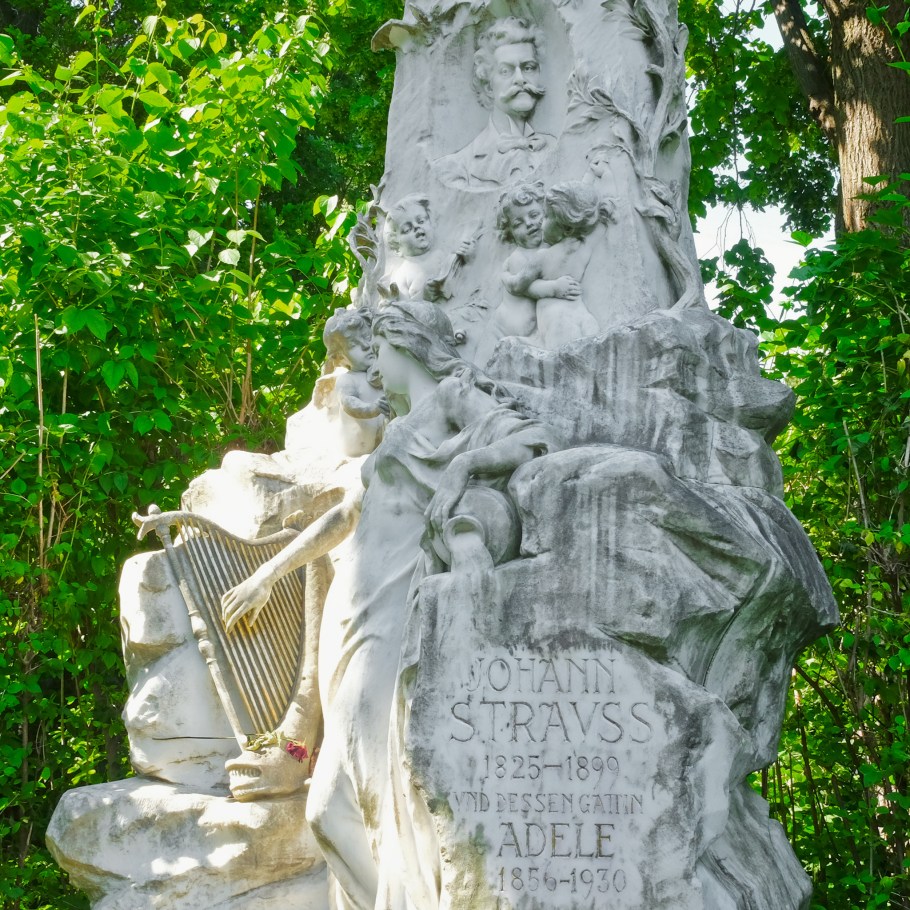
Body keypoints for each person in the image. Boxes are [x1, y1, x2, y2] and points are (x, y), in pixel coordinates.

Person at [220, 298, 558, 910]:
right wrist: (271, 570)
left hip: (396, 610)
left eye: (383, 350)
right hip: (354, 611)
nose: (374, 372)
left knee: (375, 788)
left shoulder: (453, 398)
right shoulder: (397, 431)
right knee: (329, 810)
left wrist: (465, 468)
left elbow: (529, 438)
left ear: (409, 345)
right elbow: (349, 515)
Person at [435, 17, 554, 189]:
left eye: (528, 68)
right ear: (488, 86)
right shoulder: (456, 168)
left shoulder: (553, 147)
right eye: (505, 71)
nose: (520, 79)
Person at [504, 181, 608, 349]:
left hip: (558, 323)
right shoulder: (584, 247)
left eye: (544, 216)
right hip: (586, 320)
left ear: (564, 228)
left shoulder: (542, 257)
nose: (538, 224)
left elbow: (517, 286)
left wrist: (504, 276)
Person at [320, 308, 387, 459]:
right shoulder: (348, 379)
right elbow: (348, 403)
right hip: (358, 448)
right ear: (340, 357)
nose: (365, 345)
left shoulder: (384, 371)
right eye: (354, 345)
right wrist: (371, 408)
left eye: (367, 336)